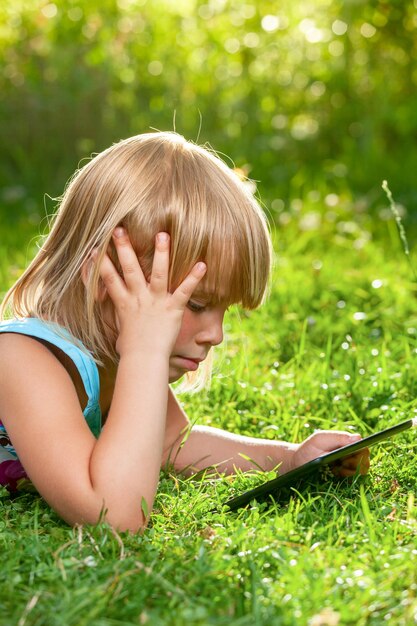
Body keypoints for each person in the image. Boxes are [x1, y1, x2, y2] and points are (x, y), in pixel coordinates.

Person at [0, 132, 369, 532]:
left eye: (224, 310)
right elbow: (112, 518)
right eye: (196, 305)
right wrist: (144, 352)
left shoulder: (114, 356)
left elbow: (173, 443)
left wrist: (291, 458)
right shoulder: (21, 358)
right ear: (106, 275)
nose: (217, 335)